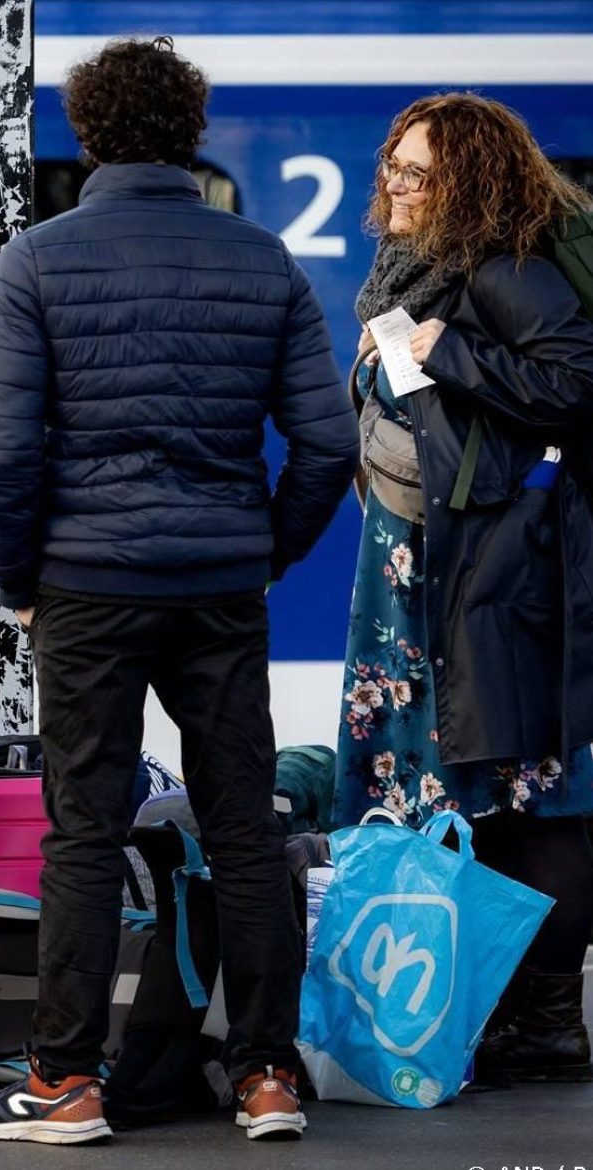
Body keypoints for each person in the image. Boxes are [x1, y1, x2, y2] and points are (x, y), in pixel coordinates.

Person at [0, 37, 359, 1144]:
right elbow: (328, 443)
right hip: (221, 586)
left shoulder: (37, 262)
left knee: (83, 833)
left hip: (87, 588)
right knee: (245, 829)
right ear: (192, 132)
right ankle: (267, 1075)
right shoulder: (263, 261)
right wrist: (266, 549)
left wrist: (22, 578)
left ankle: (68, 1081)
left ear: (87, 133)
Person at [335, 92, 593, 1084]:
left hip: (485, 570)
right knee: (464, 787)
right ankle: (471, 1005)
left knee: (527, 788)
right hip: (426, 564)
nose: (395, 186)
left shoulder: (506, 265)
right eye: (392, 166)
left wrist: (448, 350)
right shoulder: (429, 267)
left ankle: (542, 1021)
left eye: (419, 172)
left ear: (472, 182)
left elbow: (575, 376)